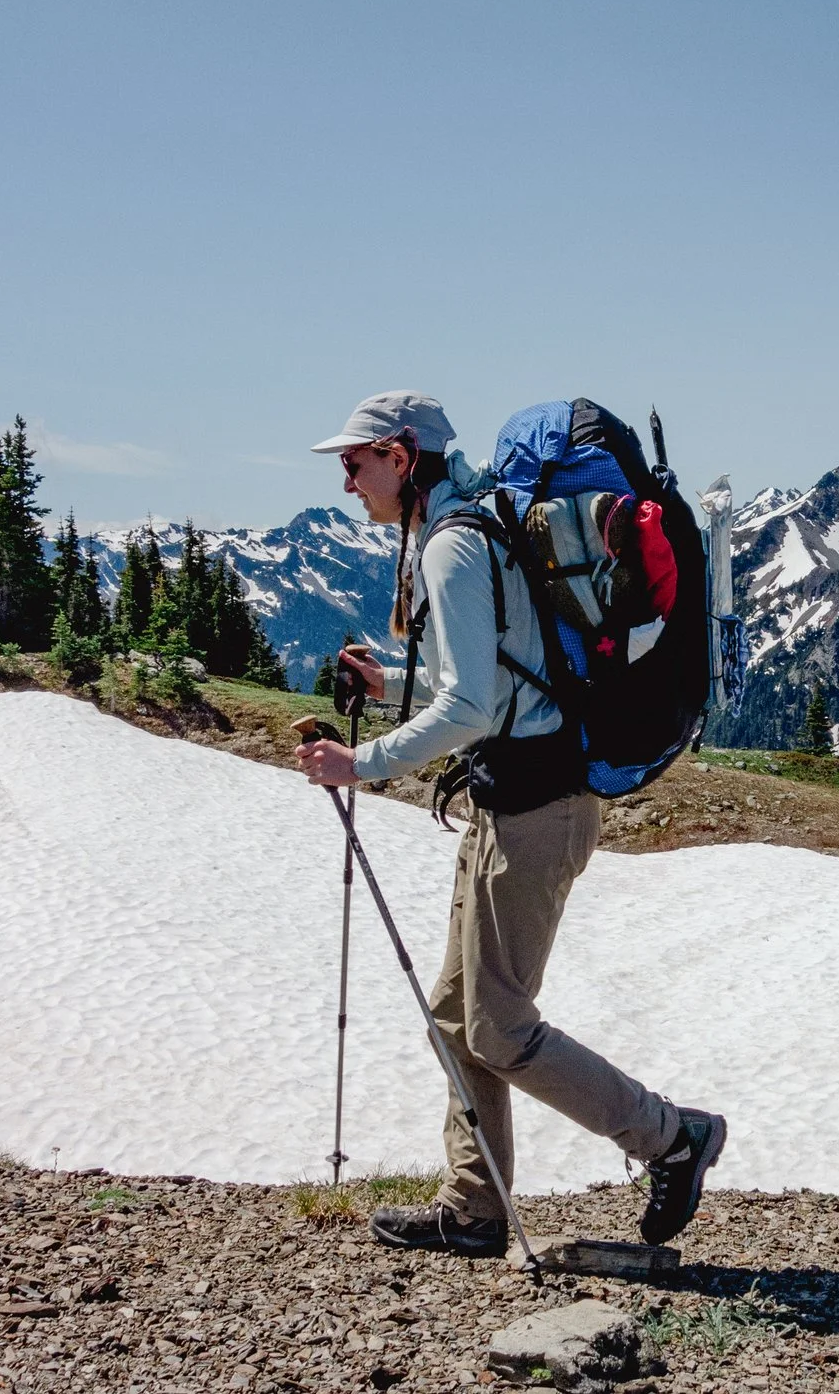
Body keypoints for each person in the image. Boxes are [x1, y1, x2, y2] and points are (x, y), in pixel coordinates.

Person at [294, 390, 726, 1258]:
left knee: (497, 1023)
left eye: (357, 460)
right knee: (456, 1013)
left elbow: (469, 705)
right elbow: (498, 679)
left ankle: (672, 1138)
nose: (347, 480)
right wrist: (389, 688)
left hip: (537, 808)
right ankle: (476, 1207)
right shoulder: (472, 529)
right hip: (517, 798)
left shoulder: (455, 543)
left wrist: (363, 765)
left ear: (404, 455)